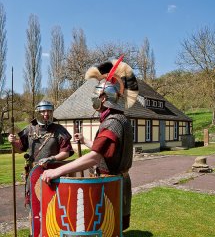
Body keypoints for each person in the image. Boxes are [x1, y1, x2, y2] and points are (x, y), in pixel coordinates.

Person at [42, 58, 139, 231]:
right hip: (119, 179)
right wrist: (86, 141)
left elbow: (95, 156)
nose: (93, 99)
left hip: (111, 183)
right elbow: (107, 149)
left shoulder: (112, 122)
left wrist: (58, 170)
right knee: (112, 226)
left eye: (96, 95)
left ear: (103, 98)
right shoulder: (120, 119)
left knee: (108, 227)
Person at [8, 100, 74, 202]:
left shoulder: (59, 130)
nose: (46, 114)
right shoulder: (29, 130)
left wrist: (51, 158)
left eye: (49, 111)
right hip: (33, 173)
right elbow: (20, 150)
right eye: (43, 111)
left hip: (53, 173)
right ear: (38, 113)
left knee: (53, 204)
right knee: (34, 204)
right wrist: (12, 142)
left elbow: (66, 152)